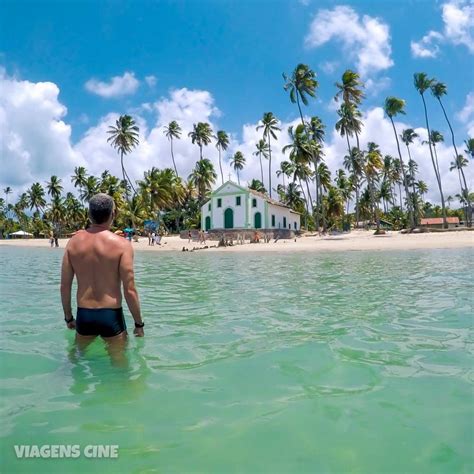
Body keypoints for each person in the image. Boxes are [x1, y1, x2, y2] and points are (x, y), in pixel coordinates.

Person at [60, 193, 144, 356]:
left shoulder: (73, 243)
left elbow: (65, 286)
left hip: (84, 314)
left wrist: (69, 318)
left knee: (78, 369)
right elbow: (130, 290)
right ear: (113, 214)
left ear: (89, 215)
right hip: (110, 315)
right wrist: (139, 324)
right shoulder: (122, 245)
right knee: (120, 369)